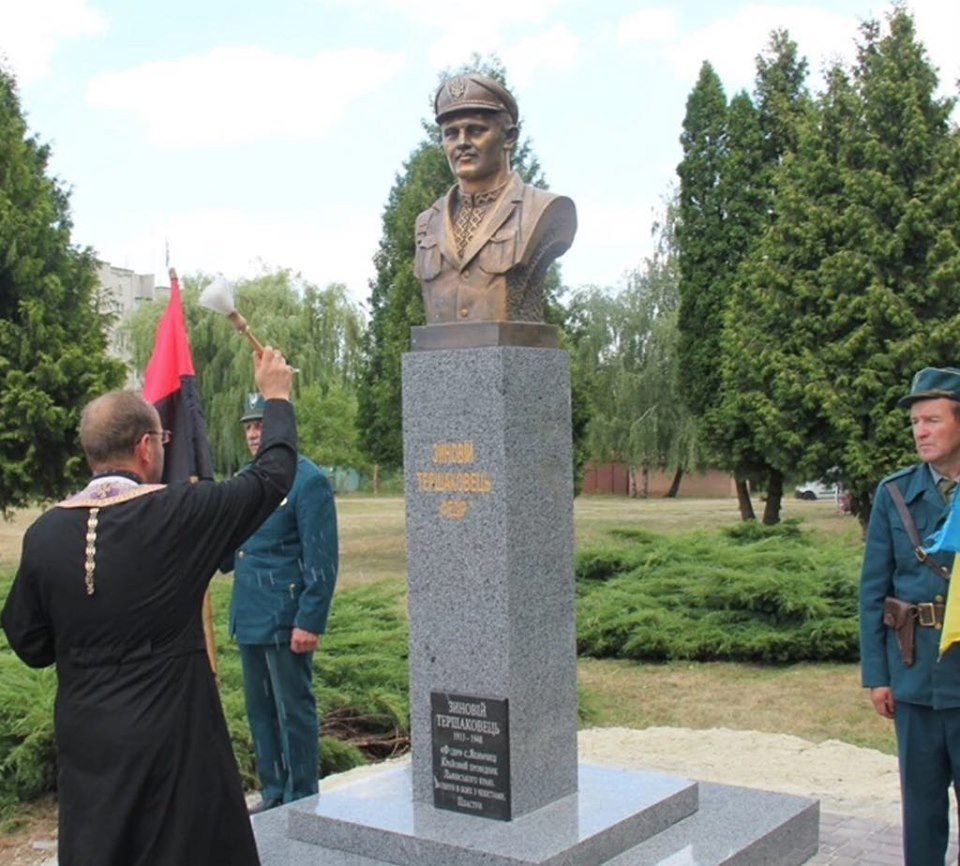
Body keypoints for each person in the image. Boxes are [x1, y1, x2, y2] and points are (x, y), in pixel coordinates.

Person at [1, 347, 297, 866]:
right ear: (145, 447)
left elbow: (29, 643)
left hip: (86, 731)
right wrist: (276, 397)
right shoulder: (177, 513)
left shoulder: (44, 533)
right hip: (172, 733)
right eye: (161, 440)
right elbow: (270, 477)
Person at [860, 365, 960, 865]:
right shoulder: (895, 494)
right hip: (915, 674)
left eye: (933, 420)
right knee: (921, 815)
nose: (920, 431)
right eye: (916, 422)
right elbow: (873, 590)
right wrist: (878, 677)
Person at [222, 393, 338, 813]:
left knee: (293, 710)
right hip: (251, 612)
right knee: (260, 710)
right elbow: (232, 545)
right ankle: (273, 791)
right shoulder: (249, 478)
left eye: (261, 426)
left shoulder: (307, 481)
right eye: (249, 427)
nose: (254, 434)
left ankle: (301, 795)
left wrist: (311, 620)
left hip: (287, 617)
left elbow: (321, 559)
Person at [414, 72, 577, 324]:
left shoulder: (544, 209)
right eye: (451, 134)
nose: (462, 143)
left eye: (476, 131)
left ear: (510, 138)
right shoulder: (427, 224)